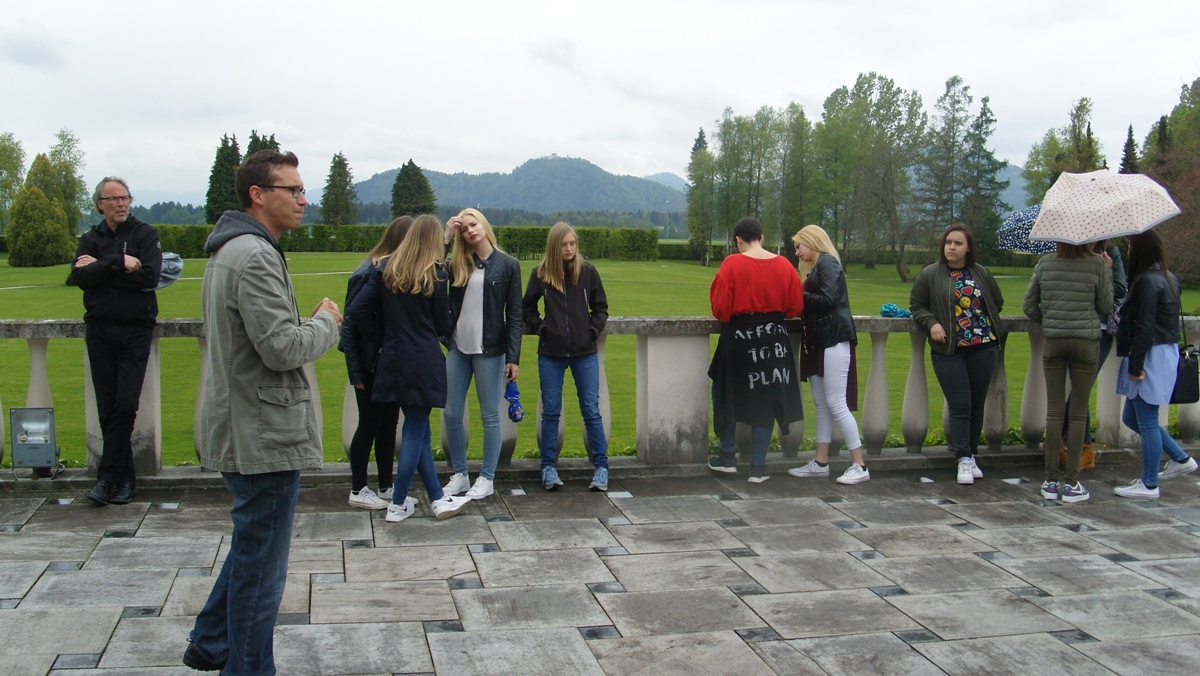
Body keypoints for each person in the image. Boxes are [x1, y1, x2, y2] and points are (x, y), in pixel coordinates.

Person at [185, 151, 342, 674]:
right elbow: (281, 348)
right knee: (262, 572)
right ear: (258, 194)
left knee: (253, 545)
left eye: (302, 190)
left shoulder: (232, 249)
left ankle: (211, 641)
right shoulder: (253, 255)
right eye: (292, 190)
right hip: (262, 433)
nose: (303, 199)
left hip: (243, 425)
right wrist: (325, 323)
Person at [347, 214, 473, 522]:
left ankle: (437, 498)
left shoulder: (386, 270)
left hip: (392, 361)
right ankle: (398, 502)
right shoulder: (435, 275)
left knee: (421, 432)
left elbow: (357, 311)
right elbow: (442, 325)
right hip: (423, 362)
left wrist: (384, 335)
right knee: (415, 431)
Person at [69, 177, 162, 506]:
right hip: (100, 330)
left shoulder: (144, 234)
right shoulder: (89, 238)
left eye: (125, 197)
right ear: (100, 204)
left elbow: (149, 276)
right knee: (107, 409)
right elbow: (79, 278)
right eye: (114, 199)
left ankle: (108, 478)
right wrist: (117, 262)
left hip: (135, 329)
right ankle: (124, 480)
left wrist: (101, 267)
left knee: (124, 404)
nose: (121, 203)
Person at [708, 217, 804, 483]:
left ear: (738, 240)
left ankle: (728, 458)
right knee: (767, 400)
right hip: (773, 340)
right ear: (762, 238)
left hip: (738, 339)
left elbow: (720, 310)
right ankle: (757, 469)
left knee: (725, 393)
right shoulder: (784, 265)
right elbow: (795, 306)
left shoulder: (732, 263)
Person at [910, 223, 1004, 485]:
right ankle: (963, 458)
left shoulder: (981, 273)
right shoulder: (930, 274)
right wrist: (932, 323)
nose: (951, 247)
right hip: (948, 349)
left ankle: (971, 455)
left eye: (958, 243)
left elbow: (996, 301)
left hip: (983, 346)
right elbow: (917, 305)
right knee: (960, 404)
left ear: (968, 248)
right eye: (948, 242)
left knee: (976, 404)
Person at [440, 209, 523, 501]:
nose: (470, 231)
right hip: (458, 348)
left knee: (490, 414)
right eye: (464, 229)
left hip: (490, 350)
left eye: (473, 225)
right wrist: (446, 238)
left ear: (484, 225)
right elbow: (431, 275)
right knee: (451, 413)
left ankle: (487, 477)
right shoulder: (457, 264)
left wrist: (513, 357)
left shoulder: (508, 265)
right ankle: (460, 474)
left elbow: (515, 314)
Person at [522, 222, 610, 491]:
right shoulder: (540, 274)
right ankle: (548, 468)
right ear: (554, 246)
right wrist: (543, 328)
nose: (569, 249)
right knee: (551, 412)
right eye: (564, 244)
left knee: (591, 411)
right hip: (551, 353)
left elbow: (601, 308)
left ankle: (601, 468)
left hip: (584, 353)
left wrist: (591, 331)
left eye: (572, 243)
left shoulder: (588, 272)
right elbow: (527, 308)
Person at [1023, 242, 1113, 503]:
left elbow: (1029, 305)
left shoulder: (1045, 263)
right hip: (1086, 342)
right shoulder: (1096, 264)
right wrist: (1106, 271)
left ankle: (1050, 481)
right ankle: (1072, 483)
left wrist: (1049, 320)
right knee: (1078, 412)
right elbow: (1106, 305)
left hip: (1054, 340)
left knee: (1054, 412)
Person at [1113, 230, 1198, 499]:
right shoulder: (1168, 277)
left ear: (1140, 251)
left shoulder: (1146, 281)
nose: (1128, 251)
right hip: (1163, 351)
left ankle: (1149, 484)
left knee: (1147, 420)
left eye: (1130, 247)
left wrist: (1135, 366)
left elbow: (1145, 326)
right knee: (1131, 417)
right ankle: (1180, 458)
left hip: (1150, 354)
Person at [787, 225, 867, 484]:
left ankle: (860, 465)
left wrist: (799, 293)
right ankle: (821, 461)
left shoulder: (828, 262)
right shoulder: (820, 266)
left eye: (799, 246)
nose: (797, 252)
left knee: (835, 402)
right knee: (823, 404)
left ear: (812, 241)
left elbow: (829, 299)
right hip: (822, 341)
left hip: (833, 339)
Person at [341, 216, 412, 510]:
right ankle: (358, 489)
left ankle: (385, 486)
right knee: (369, 424)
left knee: (388, 424)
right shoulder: (367, 271)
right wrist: (357, 371)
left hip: (386, 363)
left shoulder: (387, 269)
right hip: (370, 365)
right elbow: (350, 325)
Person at [1060, 240, 1126, 469]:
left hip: (1101, 331)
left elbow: (1120, 289)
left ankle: (1072, 442)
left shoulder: (1111, 253)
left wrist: (1104, 270)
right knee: (1080, 389)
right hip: (1074, 327)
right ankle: (1078, 446)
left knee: (1081, 389)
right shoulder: (1071, 253)